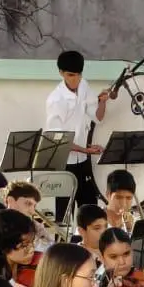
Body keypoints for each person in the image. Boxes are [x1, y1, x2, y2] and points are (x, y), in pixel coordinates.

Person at [45, 50, 110, 219]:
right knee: (63, 217)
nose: (75, 79)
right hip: (64, 164)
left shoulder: (84, 86)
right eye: (71, 75)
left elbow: (97, 117)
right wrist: (86, 150)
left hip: (83, 161)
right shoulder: (55, 100)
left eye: (79, 75)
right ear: (61, 73)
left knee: (91, 212)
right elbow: (58, 139)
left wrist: (103, 101)